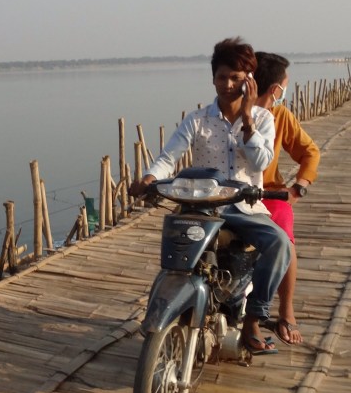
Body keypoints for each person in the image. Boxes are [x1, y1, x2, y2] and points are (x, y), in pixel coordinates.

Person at [130, 37, 292, 354]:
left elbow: (261, 162)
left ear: (250, 81)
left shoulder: (263, 119)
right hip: (201, 205)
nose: (228, 84)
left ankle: (254, 318)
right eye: (222, 77)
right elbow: (168, 157)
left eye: (236, 78)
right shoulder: (197, 120)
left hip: (245, 207)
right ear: (213, 78)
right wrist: (149, 178)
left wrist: (246, 120)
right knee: (177, 254)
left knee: (280, 243)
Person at [254, 51, 320, 345]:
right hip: (226, 193)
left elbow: (310, 152)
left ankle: (286, 309)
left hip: (269, 193)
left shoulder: (279, 115)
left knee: (285, 236)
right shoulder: (226, 111)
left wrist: (298, 187)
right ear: (275, 89)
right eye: (286, 84)